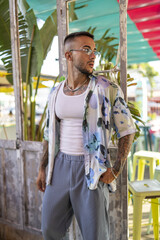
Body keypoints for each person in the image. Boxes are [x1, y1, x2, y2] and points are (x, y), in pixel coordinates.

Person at [36, 31, 136, 240]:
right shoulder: (55, 92)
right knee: (49, 230)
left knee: (95, 235)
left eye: (94, 51)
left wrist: (115, 170)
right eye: (86, 50)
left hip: (92, 169)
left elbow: (127, 129)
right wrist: (42, 168)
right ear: (69, 55)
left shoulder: (106, 88)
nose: (93, 56)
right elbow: (49, 132)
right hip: (59, 167)